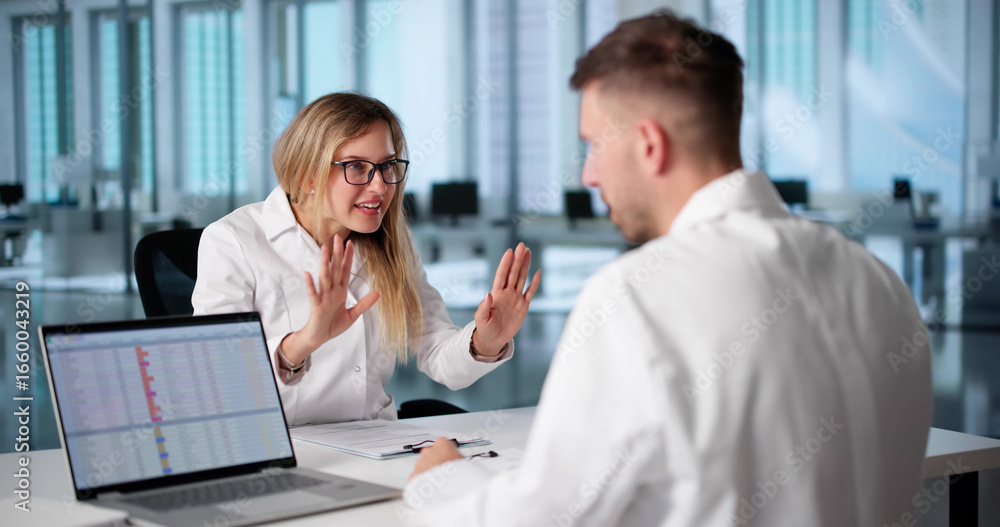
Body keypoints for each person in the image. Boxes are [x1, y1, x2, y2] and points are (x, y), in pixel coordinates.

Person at [405, 10, 932, 526]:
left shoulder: (637, 295)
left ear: (651, 145)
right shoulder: (878, 281)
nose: (588, 175)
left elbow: (543, 516)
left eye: (593, 145)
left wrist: (442, 478)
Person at [192, 93, 541, 426]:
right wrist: (304, 341)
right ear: (306, 175)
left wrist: (485, 341)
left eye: (387, 166)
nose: (379, 186)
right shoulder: (233, 241)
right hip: (288, 447)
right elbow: (217, 378)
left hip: (376, 442)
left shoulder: (391, 239)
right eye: (357, 167)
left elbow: (436, 352)